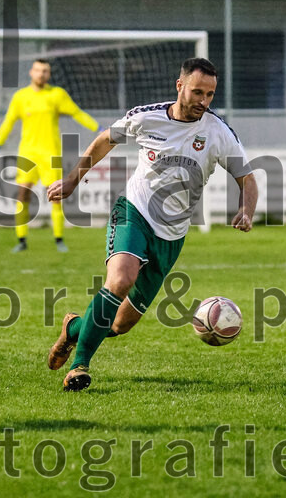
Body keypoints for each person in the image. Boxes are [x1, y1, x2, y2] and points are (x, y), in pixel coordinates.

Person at [44, 58, 258, 391]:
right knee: (120, 280)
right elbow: (105, 140)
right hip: (134, 211)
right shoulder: (147, 116)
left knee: (119, 324)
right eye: (197, 92)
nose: (204, 101)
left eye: (210, 94)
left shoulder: (218, 132)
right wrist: (73, 180)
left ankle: (73, 328)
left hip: (171, 236)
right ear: (180, 86)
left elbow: (247, 178)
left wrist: (247, 210)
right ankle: (80, 365)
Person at [0, 59, 99, 253]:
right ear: (31, 72)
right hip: (27, 154)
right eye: (38, 70)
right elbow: (8, 122)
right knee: (22, 195)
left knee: (56, 196)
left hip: (50, 154)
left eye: (45, 71)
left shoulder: (56, 95)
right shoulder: (21, 97)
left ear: (49, 75)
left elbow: (77, 113)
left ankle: (59, 239)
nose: (41, 74)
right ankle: (21, 240)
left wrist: (99, 129)